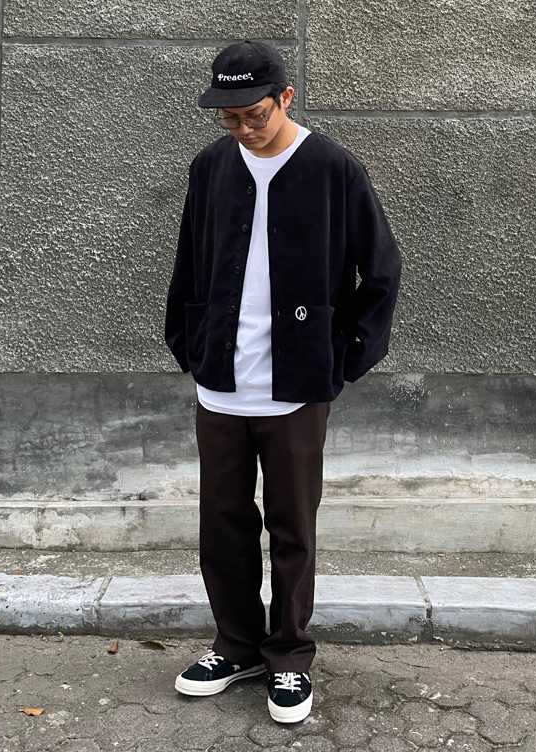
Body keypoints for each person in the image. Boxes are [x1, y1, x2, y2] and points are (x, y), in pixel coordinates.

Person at [164, 40, 402, 724]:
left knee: (293, 525)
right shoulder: (211, 167)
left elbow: (381, 270)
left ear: (286, 97)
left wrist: (343, 358)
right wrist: (188, 342)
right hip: (221, 383)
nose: (243, 127)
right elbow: (189, 261)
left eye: (255, 114)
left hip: (296, 386)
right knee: (223, 524)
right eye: (229, 117)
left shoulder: (332, 167)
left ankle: (290, 655)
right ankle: (236, 646)